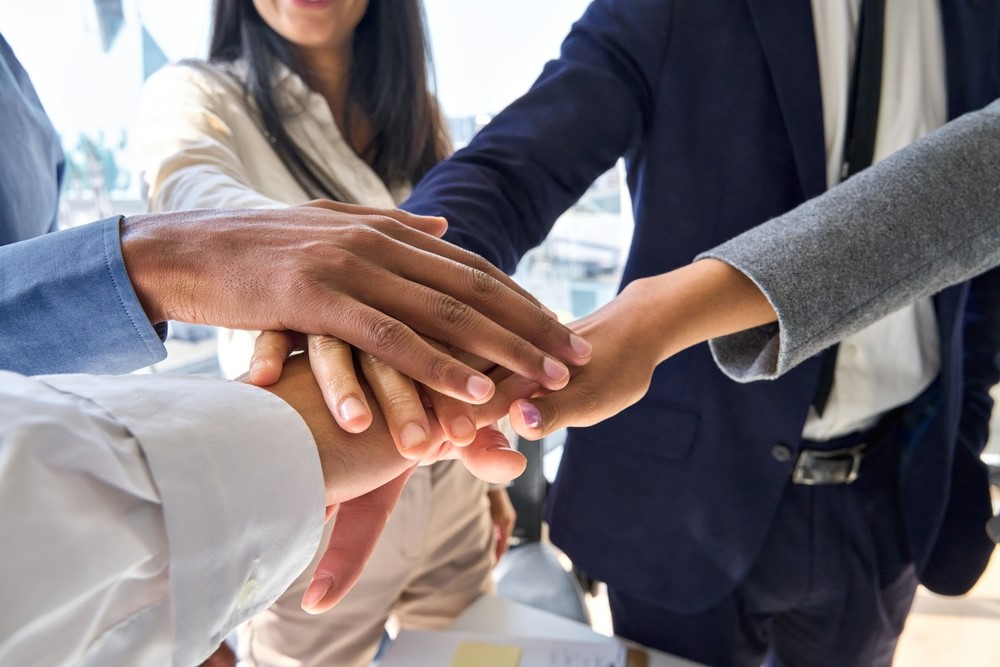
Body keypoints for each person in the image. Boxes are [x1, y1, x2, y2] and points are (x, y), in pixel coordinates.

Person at [393, 2, 1000, 665]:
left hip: (889, 493)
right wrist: (403, 302)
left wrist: (964, 423)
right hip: (685, 496)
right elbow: (514, 166)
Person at [136, 2, 525, 666]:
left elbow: (453, 296)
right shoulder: (196, 92)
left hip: (451, 460)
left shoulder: (417, 114)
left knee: (473, 653)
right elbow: (189, 193)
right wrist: (309, 267)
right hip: (320, 482)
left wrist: (489, 481)